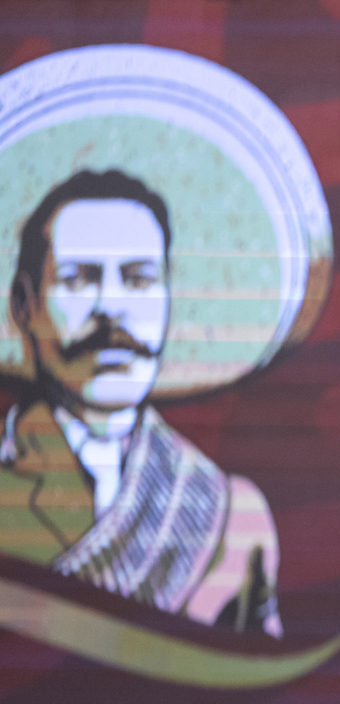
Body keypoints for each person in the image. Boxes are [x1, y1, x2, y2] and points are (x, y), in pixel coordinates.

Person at [0, 168, 280, 634]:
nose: (112, 307)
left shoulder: (229, 514)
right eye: (79, 279)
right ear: (24, 305)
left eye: (138, 279)